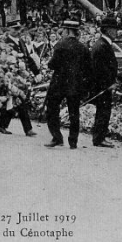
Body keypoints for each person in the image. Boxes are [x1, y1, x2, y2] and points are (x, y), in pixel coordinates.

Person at [43, 20, 92, 149]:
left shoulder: (60, 45)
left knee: (52, 110)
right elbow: (88, 69)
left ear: (68, 31)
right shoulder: (83, 48)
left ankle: (57, 137)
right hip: (75, 85)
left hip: (59, 84)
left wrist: (49, 64)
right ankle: (73, 141)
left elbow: (52, 64)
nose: (62, 33)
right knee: (74, 113)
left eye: (64, 30)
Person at [0, 19, 39, 137]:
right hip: (9, 75)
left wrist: (36, 72)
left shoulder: (21, 41)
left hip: (20, 75)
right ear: (8, 29)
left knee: (13, 101)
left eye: (18, 29)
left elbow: (28, 57)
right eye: (14, 29)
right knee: (19, 99)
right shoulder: (4, 41)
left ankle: (1, 125)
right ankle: (28, 129)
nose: (17, 31)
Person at [90, 16, 119, 148]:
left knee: (103, 110)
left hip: (103, 85)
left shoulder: (103, 44)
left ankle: (99, 136)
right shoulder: (102, 46)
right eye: (114, 29)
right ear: (107, 30)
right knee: (103, 110)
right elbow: (100, 69)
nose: (116, 32)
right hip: (103, 86)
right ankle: (99, 138)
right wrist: (108, 84)